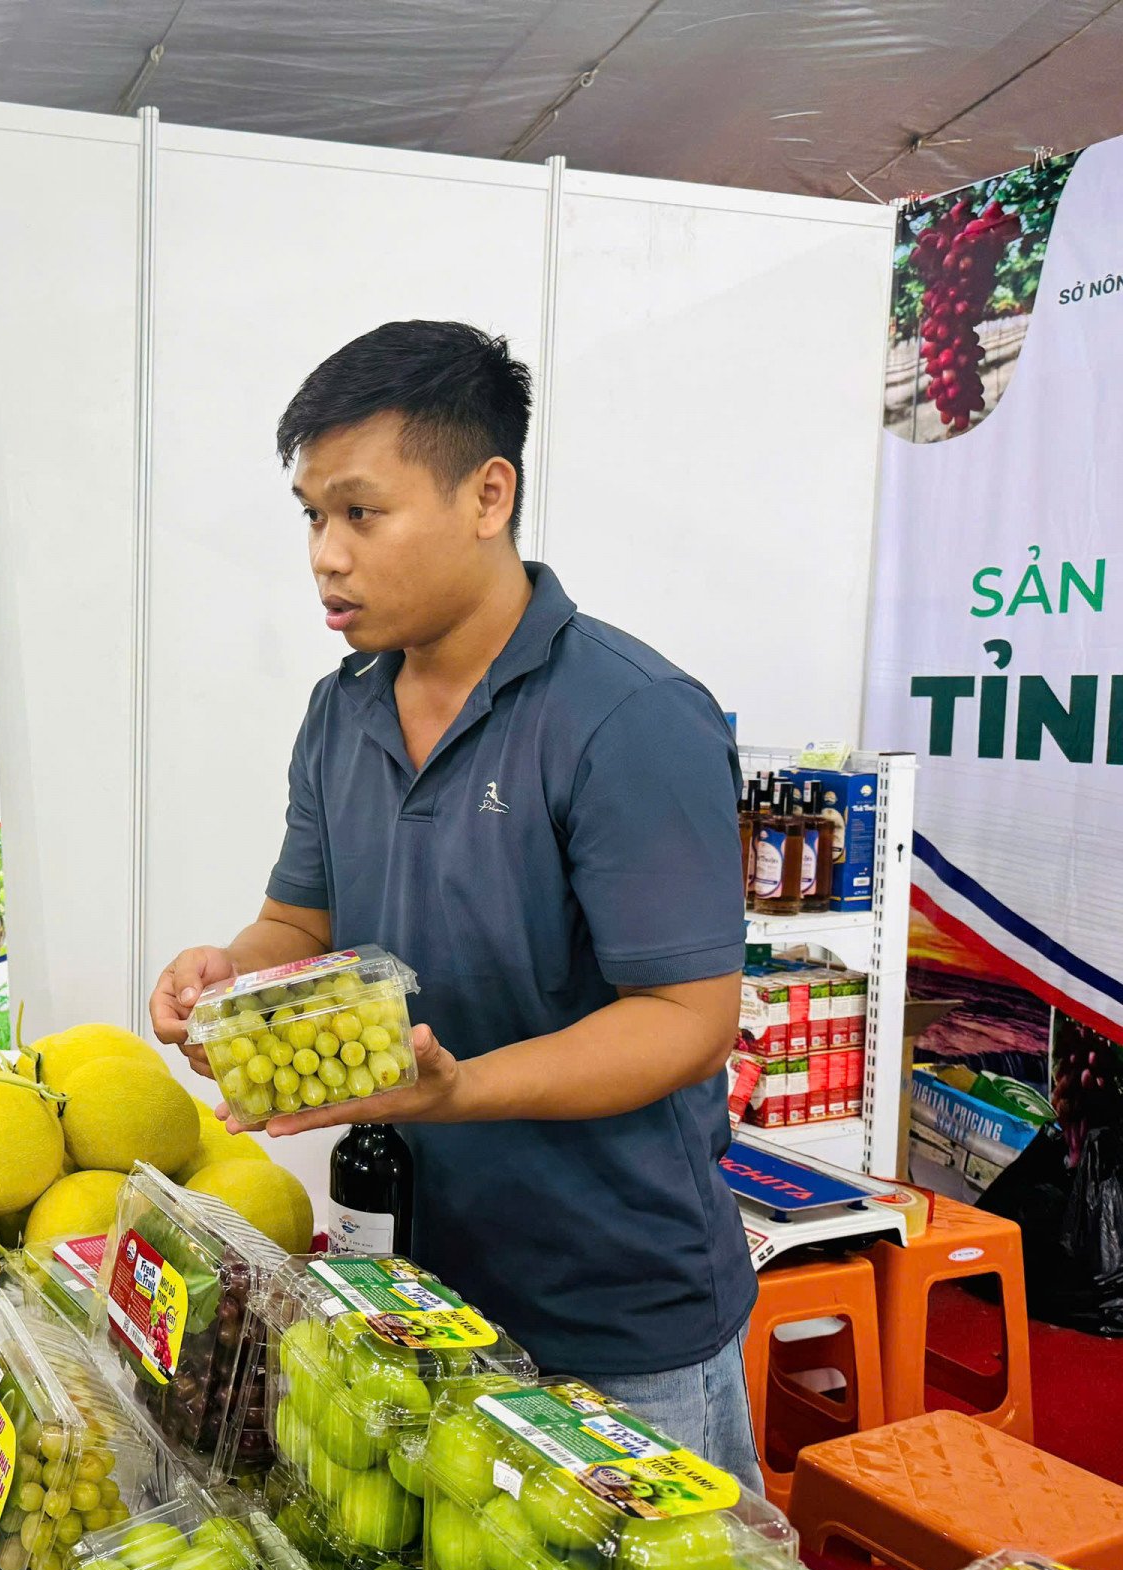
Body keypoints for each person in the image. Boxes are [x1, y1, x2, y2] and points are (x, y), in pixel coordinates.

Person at [150, 321, 760, 1483]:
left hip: (611, 1319)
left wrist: (459, 1090)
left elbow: (689, 1018)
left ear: (489, 495)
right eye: (311, 517)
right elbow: (305, 925)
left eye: (361, 513)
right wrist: (230, 972)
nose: (325, 556)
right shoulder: (345, 710)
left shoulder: (628, 719)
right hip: (413, 1296)